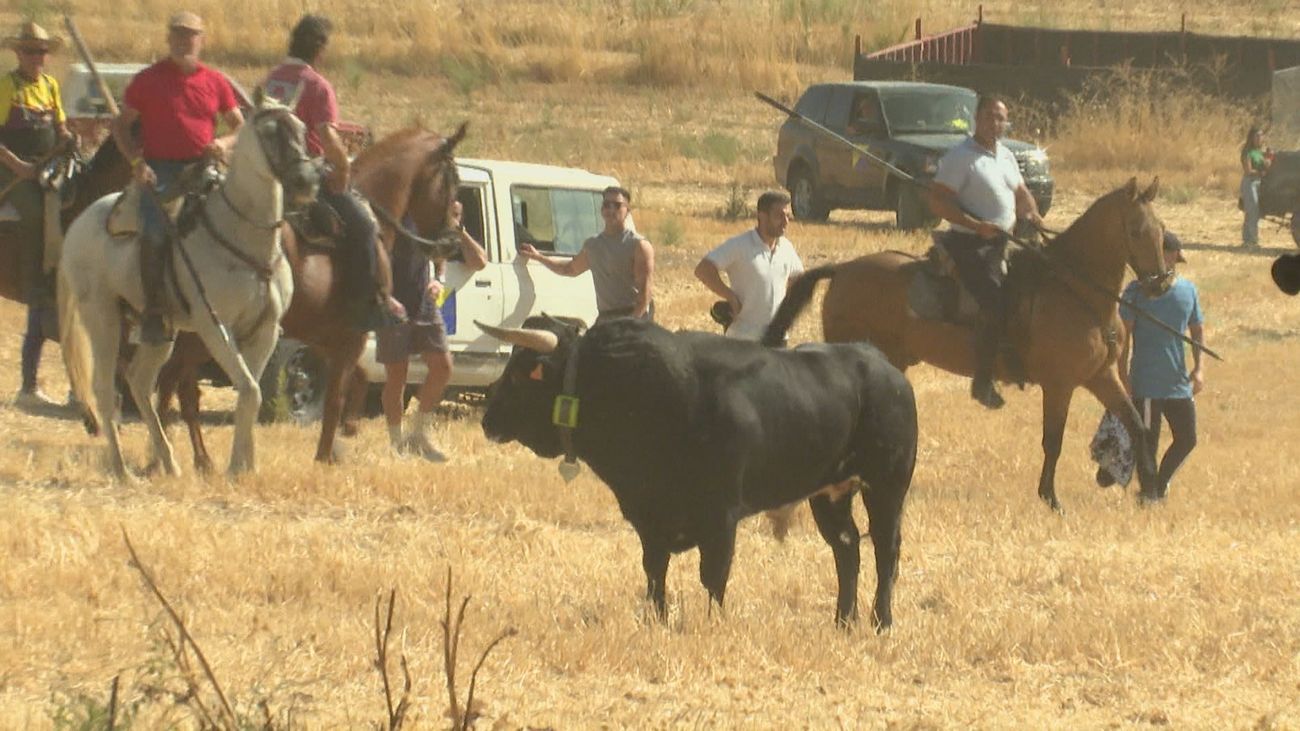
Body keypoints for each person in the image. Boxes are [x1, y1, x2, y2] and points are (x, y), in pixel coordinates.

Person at [111, 11, 243, 344]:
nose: (185, 41)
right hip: (161, 171)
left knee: (238, 219)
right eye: (179, 35)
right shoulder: (147, 80)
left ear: (202, 40)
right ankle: (153, 311)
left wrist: (223, 143)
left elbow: (240, 127)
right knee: (155, 231)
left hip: (204, 168)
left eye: (191, 35)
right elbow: (121, 126)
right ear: (168, 39)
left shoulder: (216, 81)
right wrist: (136, 161)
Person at [264, 14, 398, 328]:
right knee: (364, 225)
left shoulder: (272, 80)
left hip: (268, 171)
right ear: (320, 49)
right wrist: (342, 167)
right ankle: (364, 306)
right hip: (305, 174)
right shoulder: (317, 86)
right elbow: (327, 138)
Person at [928, 94, 1043, 409]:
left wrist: (1032, 214)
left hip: (1003, 242)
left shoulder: (1005, 155)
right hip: (969, 244)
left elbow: (1021, 194)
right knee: (994, 299)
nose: (996, 123)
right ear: (976, 119)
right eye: (990, 116)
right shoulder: (960, 157)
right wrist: (975, 225)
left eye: (1001, 118)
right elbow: (937, 200)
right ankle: (982, 379)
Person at [379, 199, 487, 460]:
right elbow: (374, 255)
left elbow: (440, 254)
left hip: (425, 301)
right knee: (397, 376)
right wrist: (383, 295)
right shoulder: (394, 213)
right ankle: (397, 444)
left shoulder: (429, 217)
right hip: (392, 303)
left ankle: (418, 435)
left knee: (443, 367)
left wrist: (439, 279)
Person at [1, 22, 73, 408]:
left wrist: (68, 138)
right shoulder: (7, 86)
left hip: (47, 166)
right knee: (34, 211)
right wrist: (20, 167)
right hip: (12, 172)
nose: (37, 57)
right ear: (18, 53)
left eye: (42, 51)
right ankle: (35, 282)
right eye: (30, 51)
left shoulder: (51, 86)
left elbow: (60, 126)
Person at [1118, 231, 1205, 501]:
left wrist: (1199, 368)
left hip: (1178, 382)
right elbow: (1123, 337)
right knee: (1147, 443)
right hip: (1146, 382)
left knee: (1187, 438)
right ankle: (1149, 495)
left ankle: (1159, 484)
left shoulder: (1188, 290)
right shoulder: (1135, 292)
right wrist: (1123, 376)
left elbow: (1197, 331)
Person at [518, 186, 654, 324]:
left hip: (634, 318)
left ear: (627, 210)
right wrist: (538, 257)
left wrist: (630, 324)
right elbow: (569, 269)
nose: (611, 210)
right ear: (602, 210)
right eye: (607, 205)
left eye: (617, 205)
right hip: (606, 319)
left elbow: (645, 295)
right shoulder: (593, 245)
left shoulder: (639, 246)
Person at [694, 190, 804, 342]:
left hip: (777, 338)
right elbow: (703, 270)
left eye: (788, 216)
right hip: (744, 339)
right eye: (779, 216)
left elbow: (798, 278)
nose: (785, 222)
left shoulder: (786, 248)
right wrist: (730, 297)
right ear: (762, 216)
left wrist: (788, 309)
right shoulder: (740, 245)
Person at [1239, 126, 1271, 249]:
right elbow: (1248, 171)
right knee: (1252, 211)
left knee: (1253, 212)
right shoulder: (1247, 152)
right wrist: (1261, 172)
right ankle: (1252, 240)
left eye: (1261, 136)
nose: (1259, 138)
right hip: (1250, 183)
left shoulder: (1259, 151)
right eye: (1257, 136)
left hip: (1259, 183)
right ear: (1251, 137)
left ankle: (1248, 239)